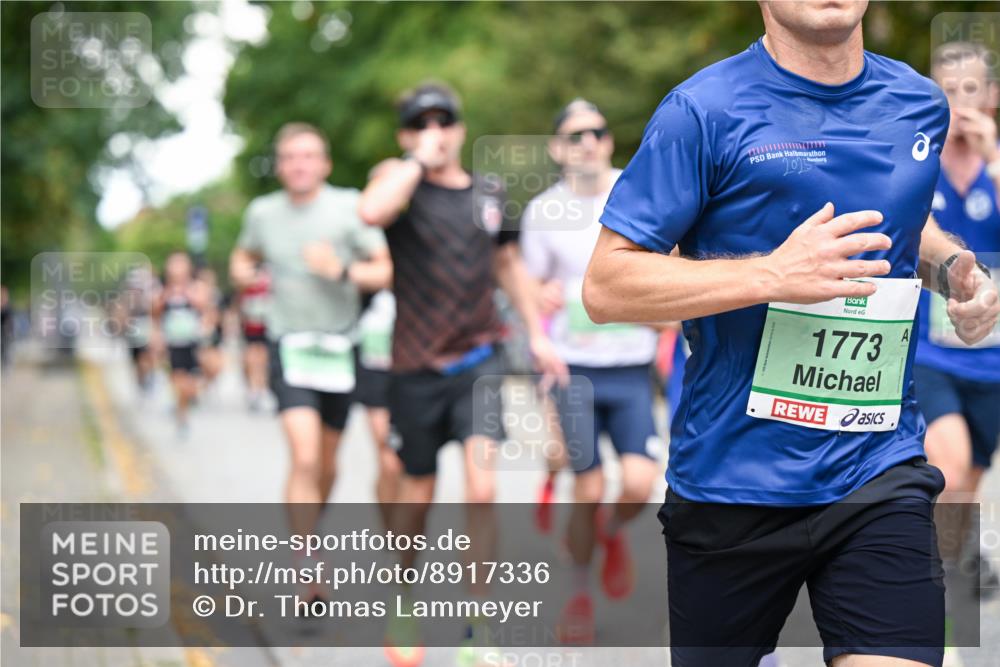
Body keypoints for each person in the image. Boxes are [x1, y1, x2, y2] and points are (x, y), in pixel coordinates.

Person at [583, 2, 1000, 666]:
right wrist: (772, 274)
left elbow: (901, 217)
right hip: (731, 481)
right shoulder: (702, 111)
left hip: (876, 467)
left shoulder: (919, 105)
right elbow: (606, 284)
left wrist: (951, 269)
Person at [358, 81, 566, 666]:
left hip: (480, 360)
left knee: (481, 488)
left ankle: (478, 626)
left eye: (444, 122)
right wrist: (414, 162)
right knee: (417, 497)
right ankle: (403, 595)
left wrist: (539, 337)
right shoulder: (399, 190)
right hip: (415, 367)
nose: (436, 132)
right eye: (421, 123)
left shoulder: (489, 194)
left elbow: (510, 267)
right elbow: (370, 210)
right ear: (405, 135)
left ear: (460, 129)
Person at [230, 122, 393, 603]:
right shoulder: (262, 212)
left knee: (326, 462)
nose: (299, 165)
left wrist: (339, 269)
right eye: (290, 157)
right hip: (289, 344)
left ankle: (311, 529)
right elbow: (243, 256)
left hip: (341, 348)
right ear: (279, 165)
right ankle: (306, 561)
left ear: (324, 163)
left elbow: (384, 270)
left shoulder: (348, 208)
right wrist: (243, 273)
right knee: (302, 455)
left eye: (308, 156)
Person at [520, 98, 663, 644]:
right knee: (589, 486)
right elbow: (529, 290)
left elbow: (670, 255)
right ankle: (579, 589)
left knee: (638, 484)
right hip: (573, 368)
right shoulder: (542, 212)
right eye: (575, 135)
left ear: (608, 142)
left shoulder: (639, 191)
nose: (588, 142)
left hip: (631, 367)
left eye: (597, 133)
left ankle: (605, 532)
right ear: (558, 148)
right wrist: (539, 308)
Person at [915, 41, 1000, 598]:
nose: (960, 101)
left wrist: (994, 158)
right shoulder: (920, 161)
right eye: (948, 90)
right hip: (931, 351)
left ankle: (958, 551)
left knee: (970, 476)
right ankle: (930, 583)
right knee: (951, 463)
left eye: (971, 89)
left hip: (992, 357)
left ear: (991, 97)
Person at [353, 288, 402, 523]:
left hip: (416, 375)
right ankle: (392, 531)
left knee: (410, 464)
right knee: (388, 457)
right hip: (375, 372)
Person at [154, 251, 210, 438]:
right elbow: (156, 314)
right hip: (174, 344)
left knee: (191, 384)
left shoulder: (196, 288)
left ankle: (184, 404)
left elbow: (205, 308)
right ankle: (182, 416)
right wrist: (158, 339)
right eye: (174, 264)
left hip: (193, 343)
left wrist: (187, 293)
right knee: (179, 381)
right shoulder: (164, 291)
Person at [237, 268, 271, 412]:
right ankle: (253, 391)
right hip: (250, 330)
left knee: (263, 360)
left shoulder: (269, 285)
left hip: (265, 329)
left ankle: (261, 390)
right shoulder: (246, 286)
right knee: (251, 360)